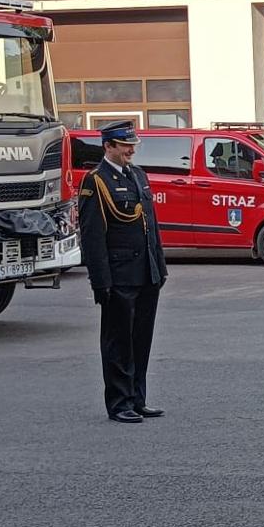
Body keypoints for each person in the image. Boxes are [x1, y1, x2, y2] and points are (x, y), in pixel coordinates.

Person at [78, 120, 168, 424]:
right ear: (108, 146)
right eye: (125, 145)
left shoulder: (138, 176)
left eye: (133, 145)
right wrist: (100, 281)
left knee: (141, 340)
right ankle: (119, 403)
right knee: (119, 342)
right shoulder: (96, 181)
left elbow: (151, 227)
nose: (131, 150)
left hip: (145, 273)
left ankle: (137, 398)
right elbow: (93, 237)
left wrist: (160, 266)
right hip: (118, 276)